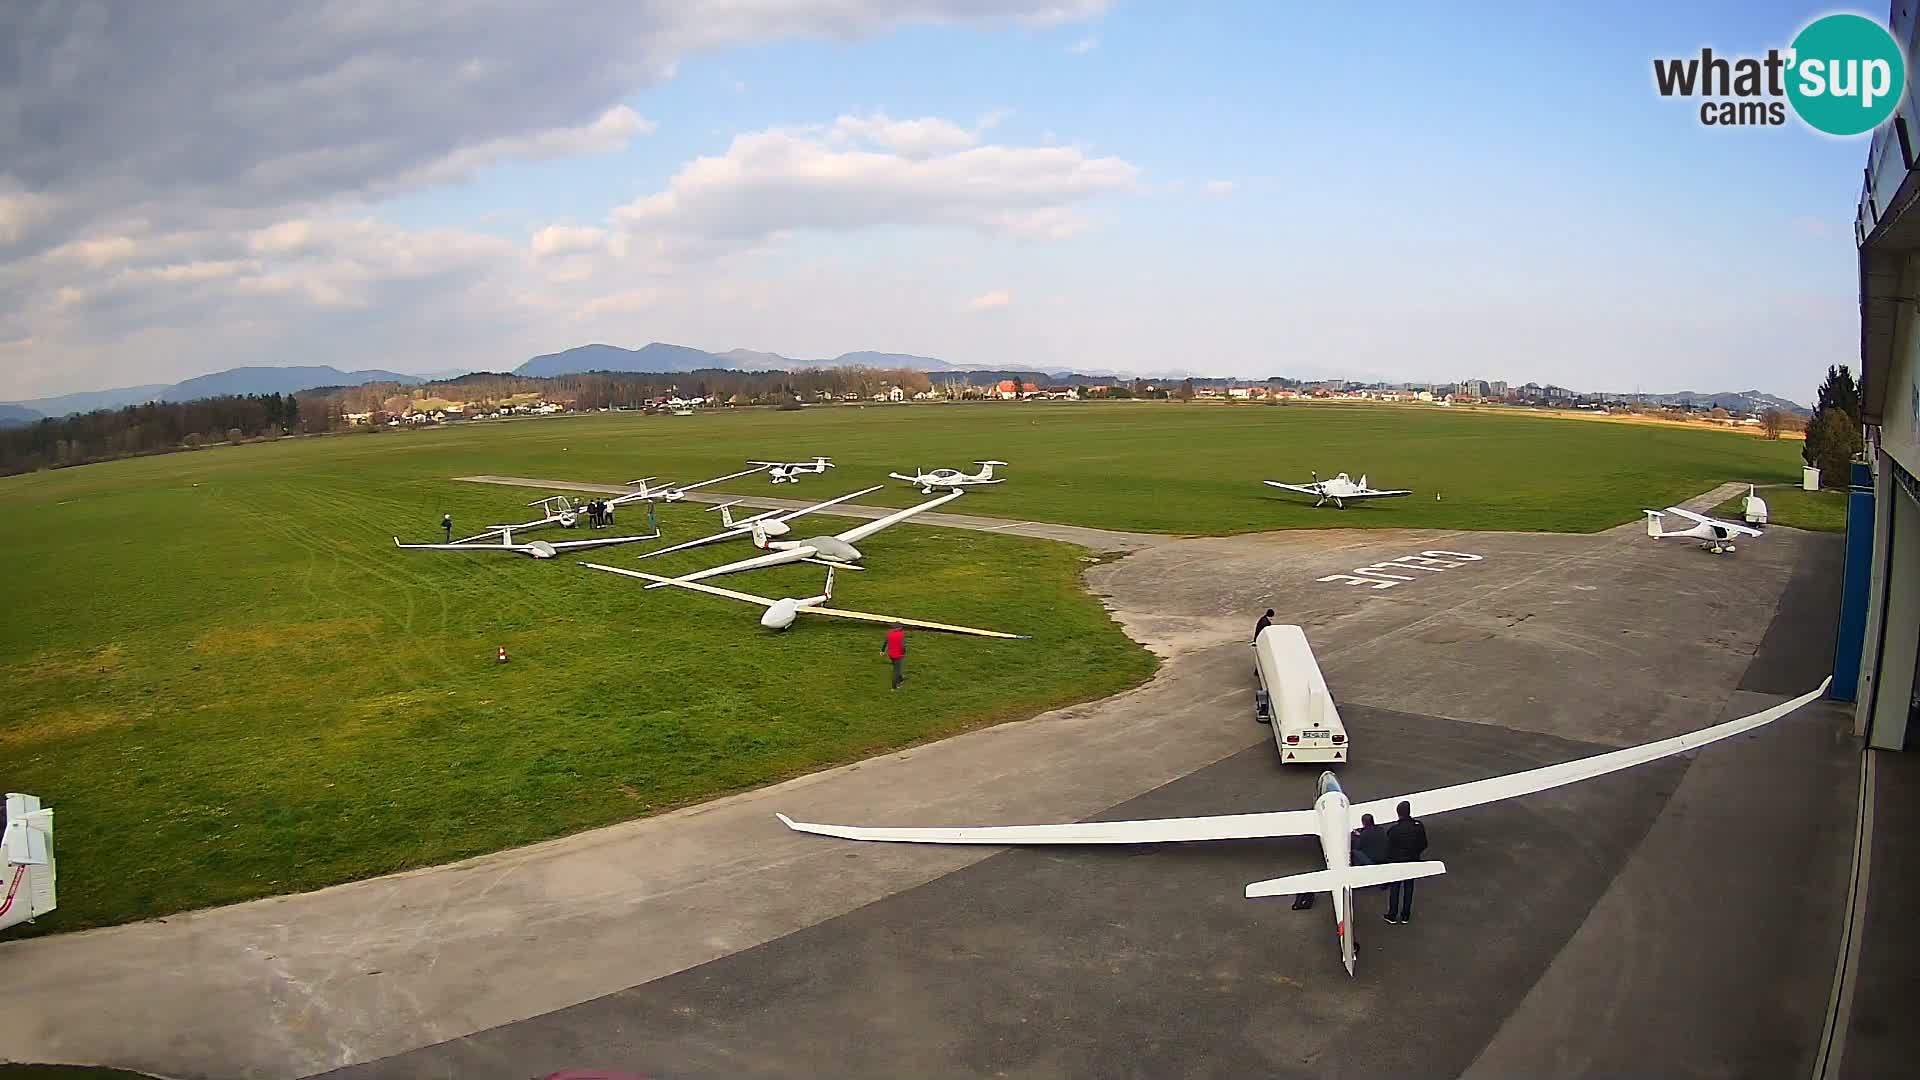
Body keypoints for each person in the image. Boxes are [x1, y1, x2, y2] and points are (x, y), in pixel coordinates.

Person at [1384, 800, 1428, 925]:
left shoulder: (1394, 830)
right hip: (1413, 861)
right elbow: (1424, 844)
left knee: (1395, 888)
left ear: (1398, 813)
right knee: (1409, 888)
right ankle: (1405, 915)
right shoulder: (1418, 826)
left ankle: (1392, 915)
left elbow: (1388, 848)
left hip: (1397, 863)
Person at [883, 624, 907, 689]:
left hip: (891, 655)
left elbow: (885, 642)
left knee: (896, 667)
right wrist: (904, 652)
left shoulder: (889, 634)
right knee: (896, 671)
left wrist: (882, 651)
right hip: (899, 655)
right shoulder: (901, 635)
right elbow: (903, 646)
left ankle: (901, 679)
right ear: (899, 628)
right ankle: (895, 686)